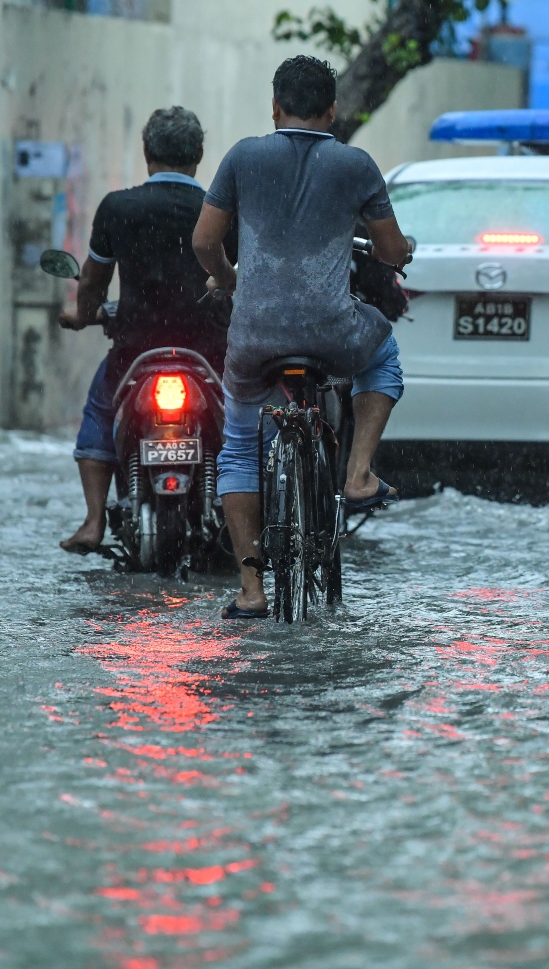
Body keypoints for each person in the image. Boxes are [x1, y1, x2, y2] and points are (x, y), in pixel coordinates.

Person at [192, 55, 411, 620]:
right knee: (382, 352)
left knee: (240, 445)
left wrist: (228, 277)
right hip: (333, 333)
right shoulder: (356, 164)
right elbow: (389, 253)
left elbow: (203, 241)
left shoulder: (243, 156)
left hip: (255, 336)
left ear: (274, 107)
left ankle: (251, 589)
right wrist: (403, 250)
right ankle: (359, 473)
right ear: (333, 111)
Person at [59, 106, 232, 555]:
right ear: (198, 155)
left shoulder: (118, 207)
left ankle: (94, 521)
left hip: (135, 350)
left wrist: (84, 314)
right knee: (248, 423)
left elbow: (93, 280)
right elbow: (237, 280)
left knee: (99, 411)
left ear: (146, 152)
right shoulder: (221, 210)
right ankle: (246, 521)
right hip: (211, 352)